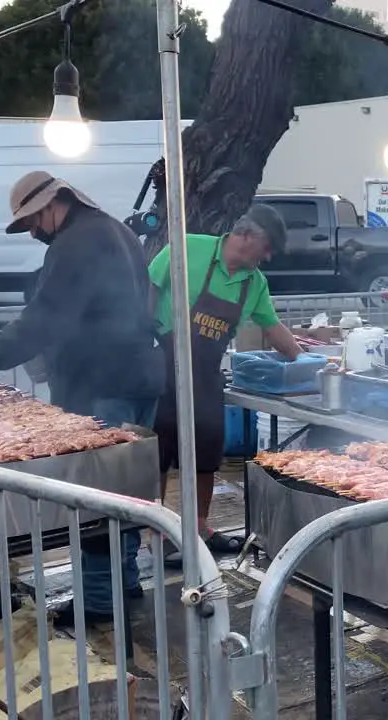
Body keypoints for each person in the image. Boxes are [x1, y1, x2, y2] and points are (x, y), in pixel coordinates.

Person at [0, 170, 165, 626]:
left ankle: (101, 605)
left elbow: (47, 317)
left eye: (31, 221)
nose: (33, 232)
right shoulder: (114, 229)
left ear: (50, 205)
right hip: (138, 376)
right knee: (125, 491)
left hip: (104, 382)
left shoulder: (77, 241)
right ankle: (123, 585)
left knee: (96, 497)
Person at [147, 204, 304, 560]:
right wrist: (143, 335)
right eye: (265, 248)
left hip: (205, 374)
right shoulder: (187, 248)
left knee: (207, 453)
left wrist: (307, 359)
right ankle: (156, 533)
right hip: (163, 367)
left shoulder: (254, 283)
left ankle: (200, 527)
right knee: (158, 454)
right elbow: (150, 286)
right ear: (245, 235)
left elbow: (272, 326)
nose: (266, 257)